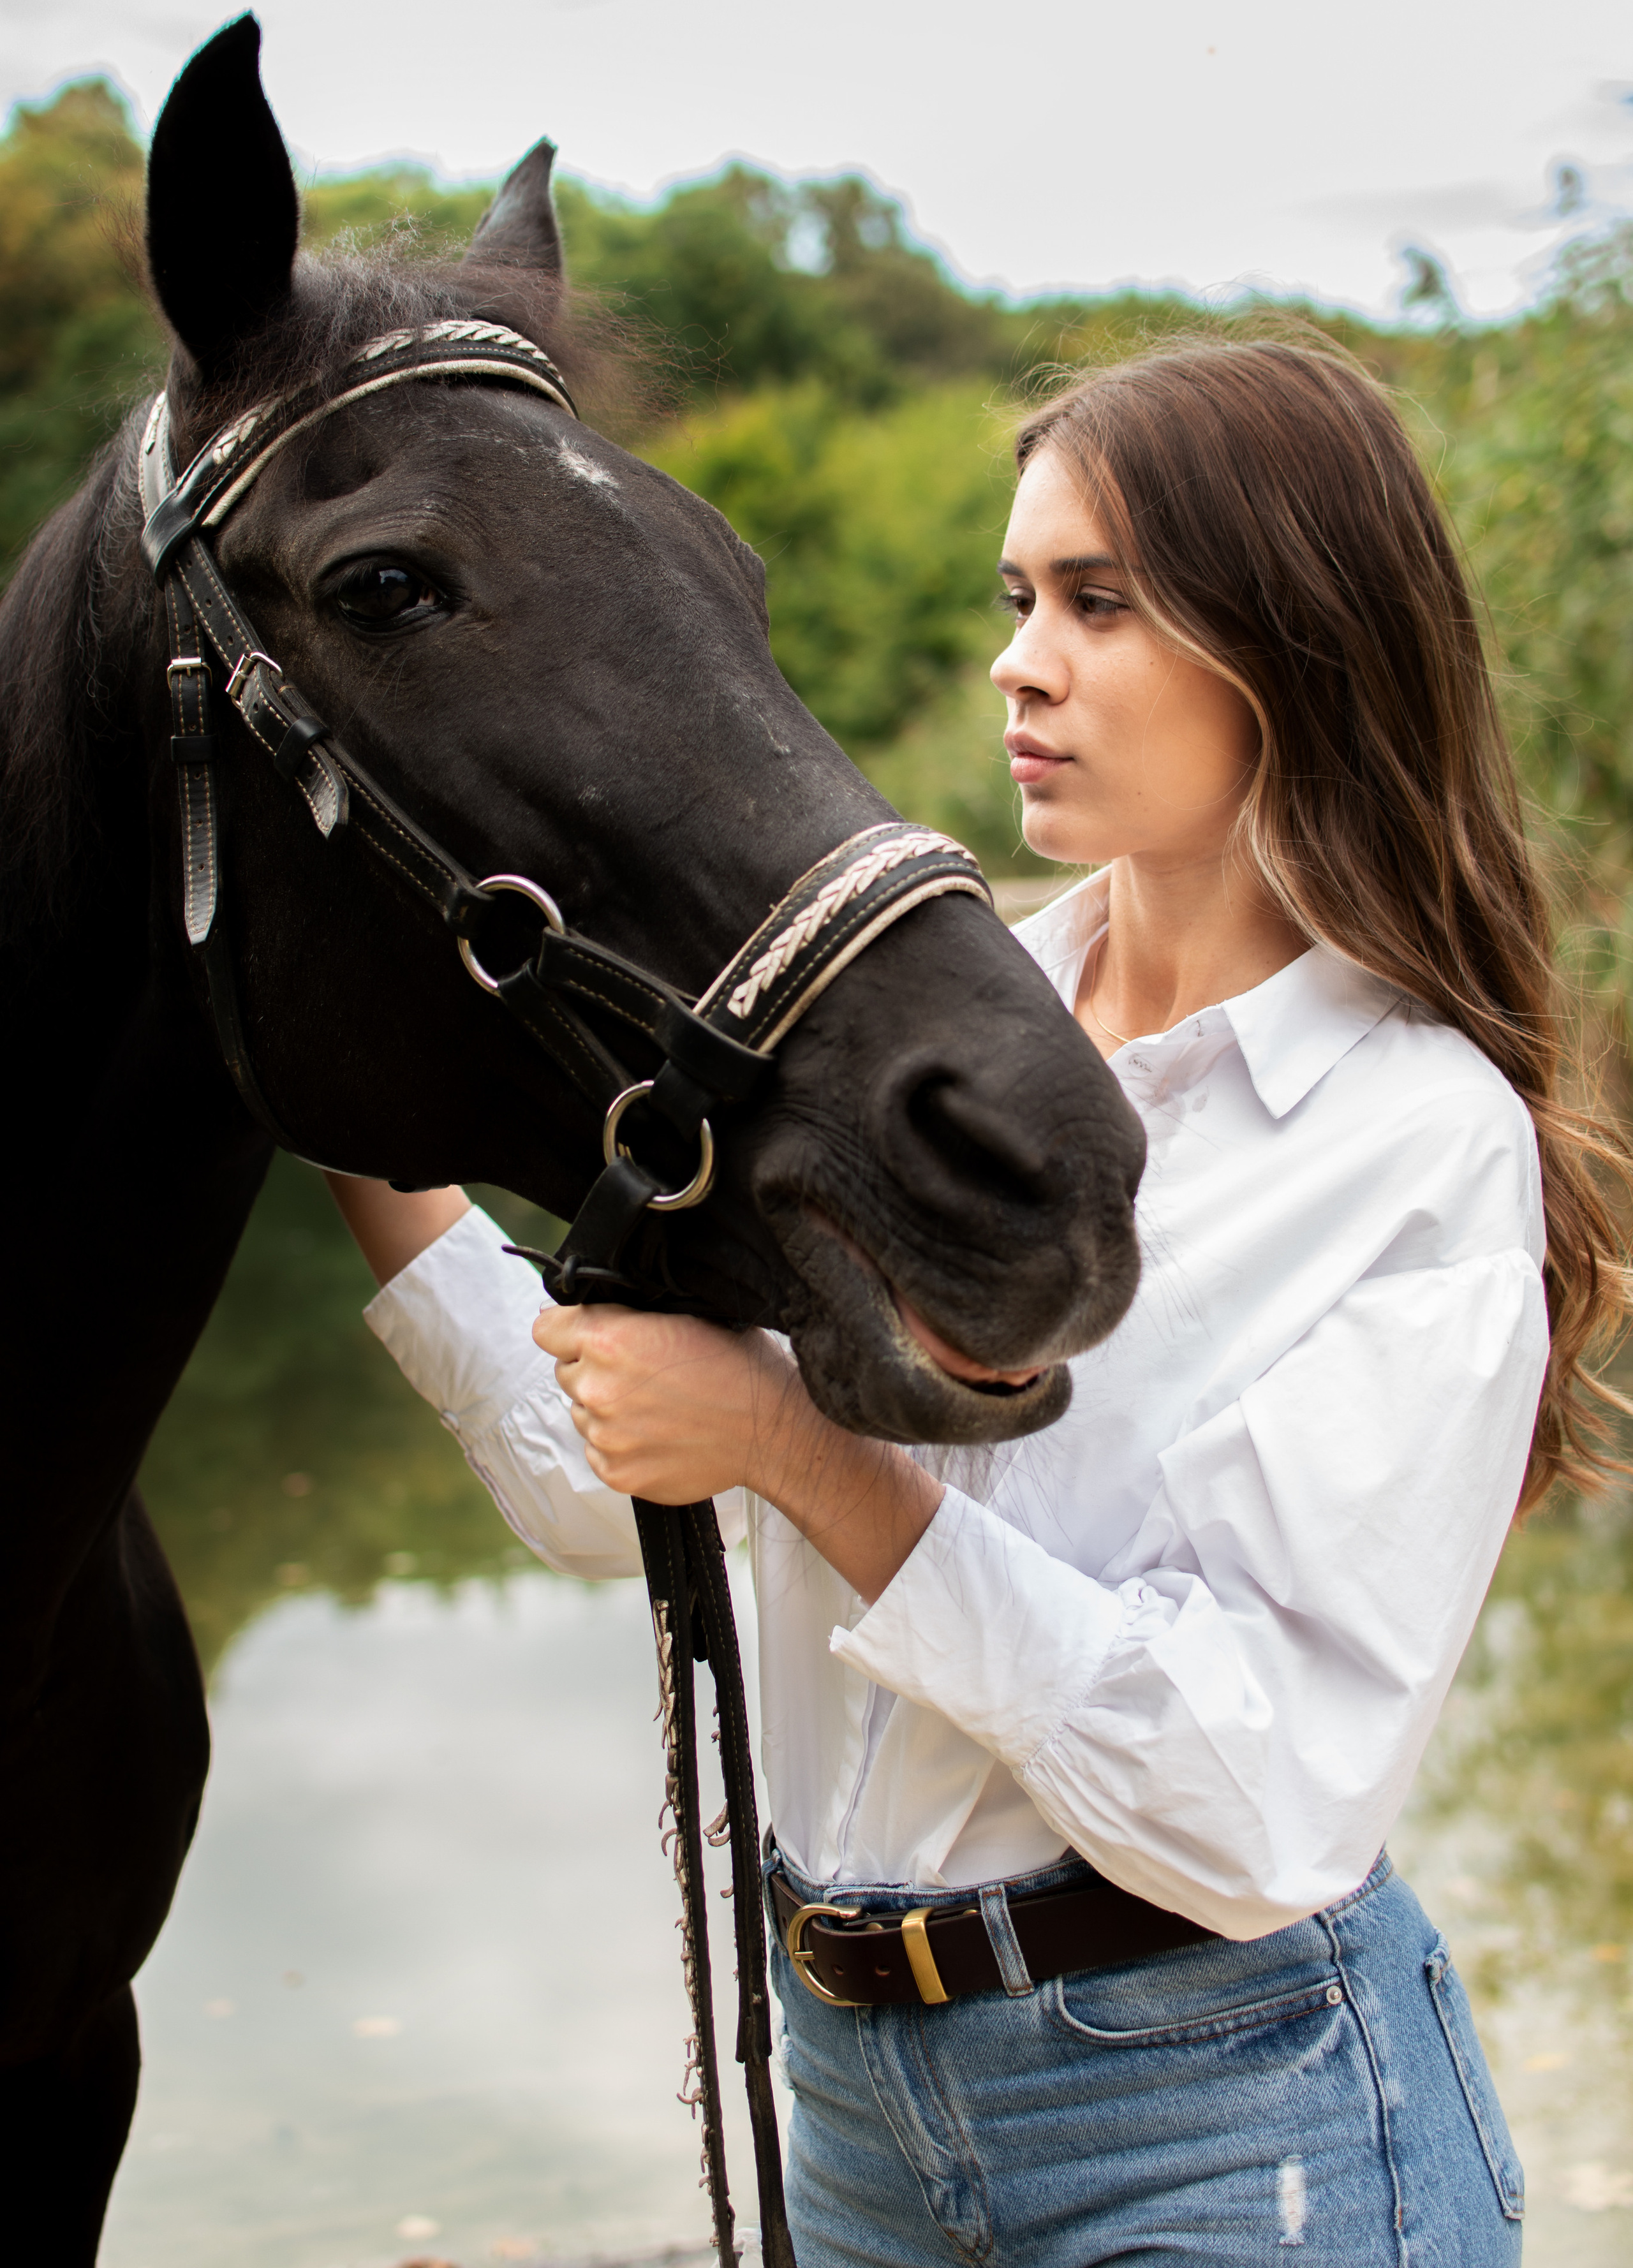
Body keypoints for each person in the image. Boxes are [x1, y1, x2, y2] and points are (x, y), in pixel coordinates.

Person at [329, 334, 1629, 2265]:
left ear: (1296, 639)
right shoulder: (907, 1057)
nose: (1023, 662)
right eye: (1021, 598)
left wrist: (797, 1447)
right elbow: (621, 1494)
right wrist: (342, 1103)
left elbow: (1253, 1799)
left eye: (1101, 604)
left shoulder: (1410, 1144)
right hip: (850, 2105)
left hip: (1230, 2122)